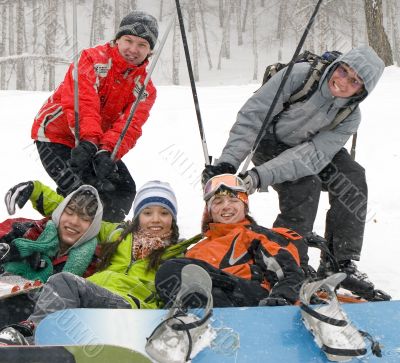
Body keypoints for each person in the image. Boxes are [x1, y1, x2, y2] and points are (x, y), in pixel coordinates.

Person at [201, 46, 385, 298]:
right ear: (335, 66)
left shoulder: (350, 116)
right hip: (270, 142)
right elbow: (254, 117)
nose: (343, 82)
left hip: (312, 148)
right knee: (304, 185)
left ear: (361, 92)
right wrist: (228, 164)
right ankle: (288, 259)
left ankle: (340, 263)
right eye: (343, 71)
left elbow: (312, 155)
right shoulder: (299, 76)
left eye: (354, 81)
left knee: (352, 176)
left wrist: (258, 177)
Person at [0, 181, 200, 345]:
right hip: (96, 296)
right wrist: (36, 190)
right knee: (34, 293)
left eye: (164, 213)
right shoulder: (118, 235)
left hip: (132, 308)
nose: (155, 219)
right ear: (138, 216)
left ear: (172, 218)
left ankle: (33, 334)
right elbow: (77, 215)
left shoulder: (178, 253)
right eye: (148, 212)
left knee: (65, 282)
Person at [31, 10, 159, 222]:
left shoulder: (145, 88)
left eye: (142, 45)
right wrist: (89, 141)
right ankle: (56, 238)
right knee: (81, 192)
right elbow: (83, 103)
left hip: (97, 143)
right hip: (56, 136)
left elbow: (129, 125)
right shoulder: (91, 59)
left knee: (122, 189)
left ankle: (104, 242)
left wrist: (108, 151)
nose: (133, 49)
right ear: (117, 39)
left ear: (150, 51)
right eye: (128, 40)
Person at [155, 174, 305, 308]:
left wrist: (281, 297)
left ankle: (203, 302)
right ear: (210, 210)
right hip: (208, 300)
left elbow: (289, 272)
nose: (226, 206)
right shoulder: (195, 250)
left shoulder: (256, 236)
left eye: (233, 200)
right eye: (218, 202)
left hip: (250, 299)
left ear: (244, 206)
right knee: (170, 273)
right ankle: (186, 320)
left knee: (175, 270)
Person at [1, 184, 103, 283]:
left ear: (93, 227)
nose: (74, 222)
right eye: (69, 211)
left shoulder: (95, 266)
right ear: (59, 213)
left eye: (84, 218)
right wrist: (8, 250)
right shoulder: (30, 229)